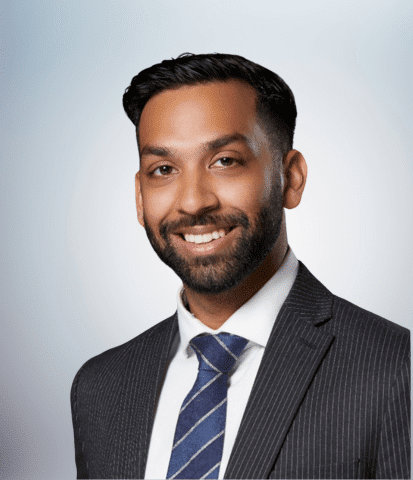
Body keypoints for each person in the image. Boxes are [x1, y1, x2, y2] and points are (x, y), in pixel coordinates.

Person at [70, 53, 410, 479]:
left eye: (225, 161)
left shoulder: (398, 369)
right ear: (140, 197)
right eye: (163, 169)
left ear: (291, 177)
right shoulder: (100, 388)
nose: (193, 201)